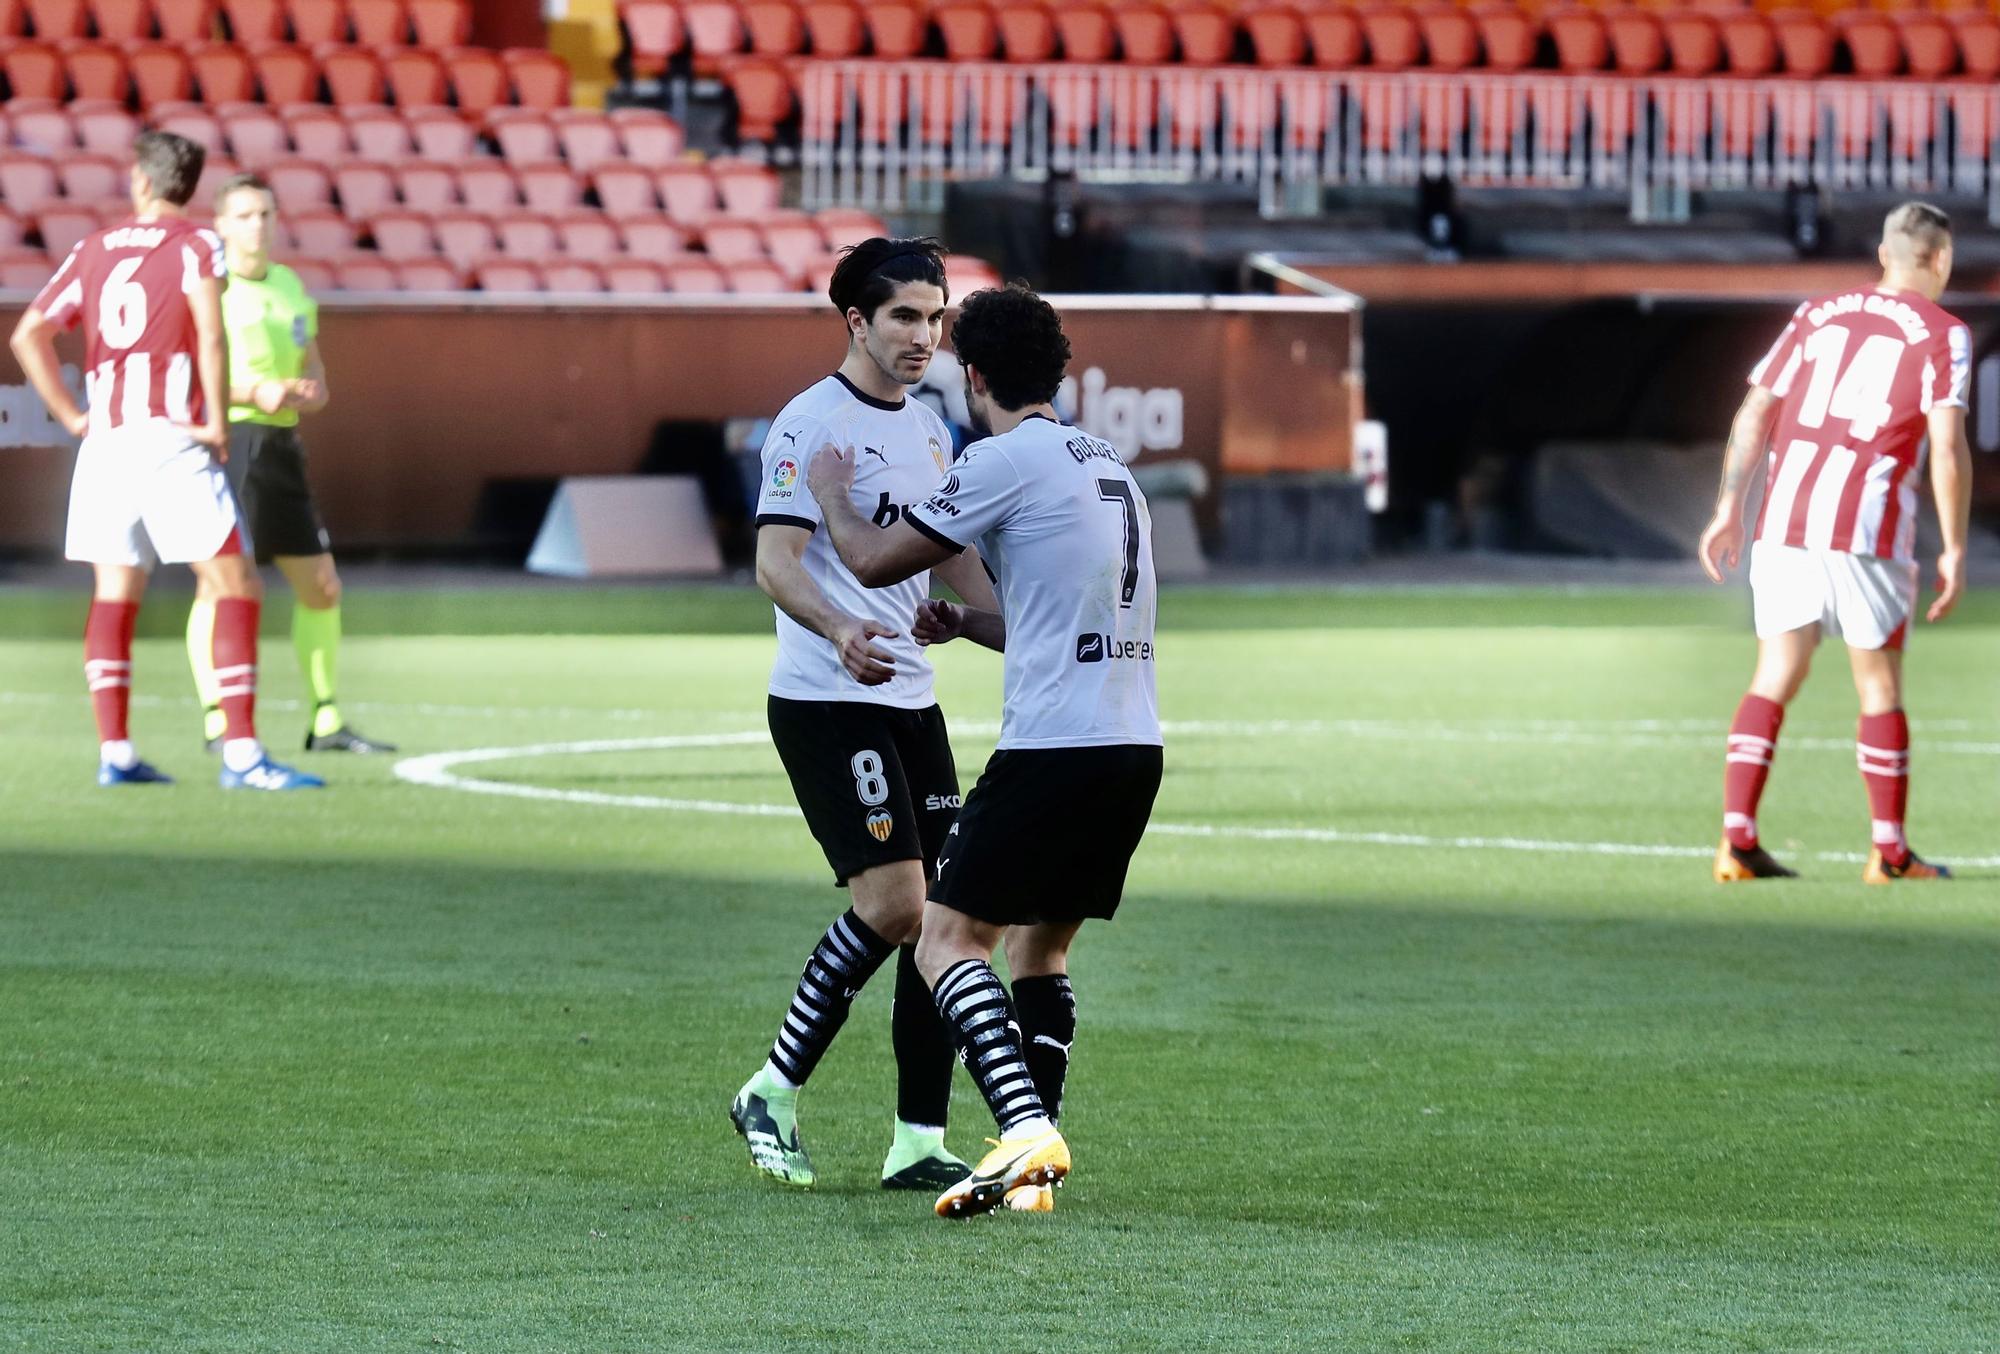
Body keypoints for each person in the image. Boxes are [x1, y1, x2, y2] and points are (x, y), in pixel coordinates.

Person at [802, 283, 1162, 1219]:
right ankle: (1030, 1171)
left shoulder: (1004, 457)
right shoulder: (1107, 462)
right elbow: (1053, 621)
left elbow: (876, 560)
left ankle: (1022, 1128)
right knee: (1042, 952)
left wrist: (835, 496)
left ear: (976, 375)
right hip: (1132, 744)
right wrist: (965, 620)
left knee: (946, 939)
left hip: (1053, 751)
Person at [729, 238, 1005, 1193]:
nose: (924, 336)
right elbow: (776, 563)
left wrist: (998, 619)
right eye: (904, 317)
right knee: (896, 905)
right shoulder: (809, 425)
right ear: (856, 320)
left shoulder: (933, 430)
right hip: (826, 699)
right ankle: (771, 1087)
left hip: (910, 702)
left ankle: (917, 1141)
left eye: (934, 319)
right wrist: (845, 627)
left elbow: (949, 555)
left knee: (942, 919)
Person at [9, 132, 321, 792]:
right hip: (170, 439)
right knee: (237, 586)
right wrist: (212, 417)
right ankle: (242, 756)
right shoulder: (196, 245)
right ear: (187, 187)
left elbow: (28, 333)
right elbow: (209, 330)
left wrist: (70, 415)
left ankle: (115, 752)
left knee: (115, 592)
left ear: (141, 182)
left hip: (106, 444)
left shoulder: (93, 248)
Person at [1699, 202, 1972, 883]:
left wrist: (1729, 504)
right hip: (1865, 526)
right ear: (1941, 259)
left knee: (1774, 674)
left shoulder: (1817, 313)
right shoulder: (1945, 332)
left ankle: (1736, 841)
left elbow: (1758, 407)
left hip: (1785, 517)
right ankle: (1889, 851)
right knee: (1877, 686)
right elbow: (1945, 445)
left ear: (1884, 255)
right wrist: (1956, 546)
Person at [185, 173, 394, 756]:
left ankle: (325, 721)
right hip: (230, 444)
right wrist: (255, 393)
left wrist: (310, 390)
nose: (259, 225)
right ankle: (217, 719)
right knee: (220, 586)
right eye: (246, 215)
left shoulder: (290, 287)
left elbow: (316, 369)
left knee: (322, 586)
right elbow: (187, 382)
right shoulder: (209, 289)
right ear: (221, 225)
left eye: (267, 214)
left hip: (280, 448)